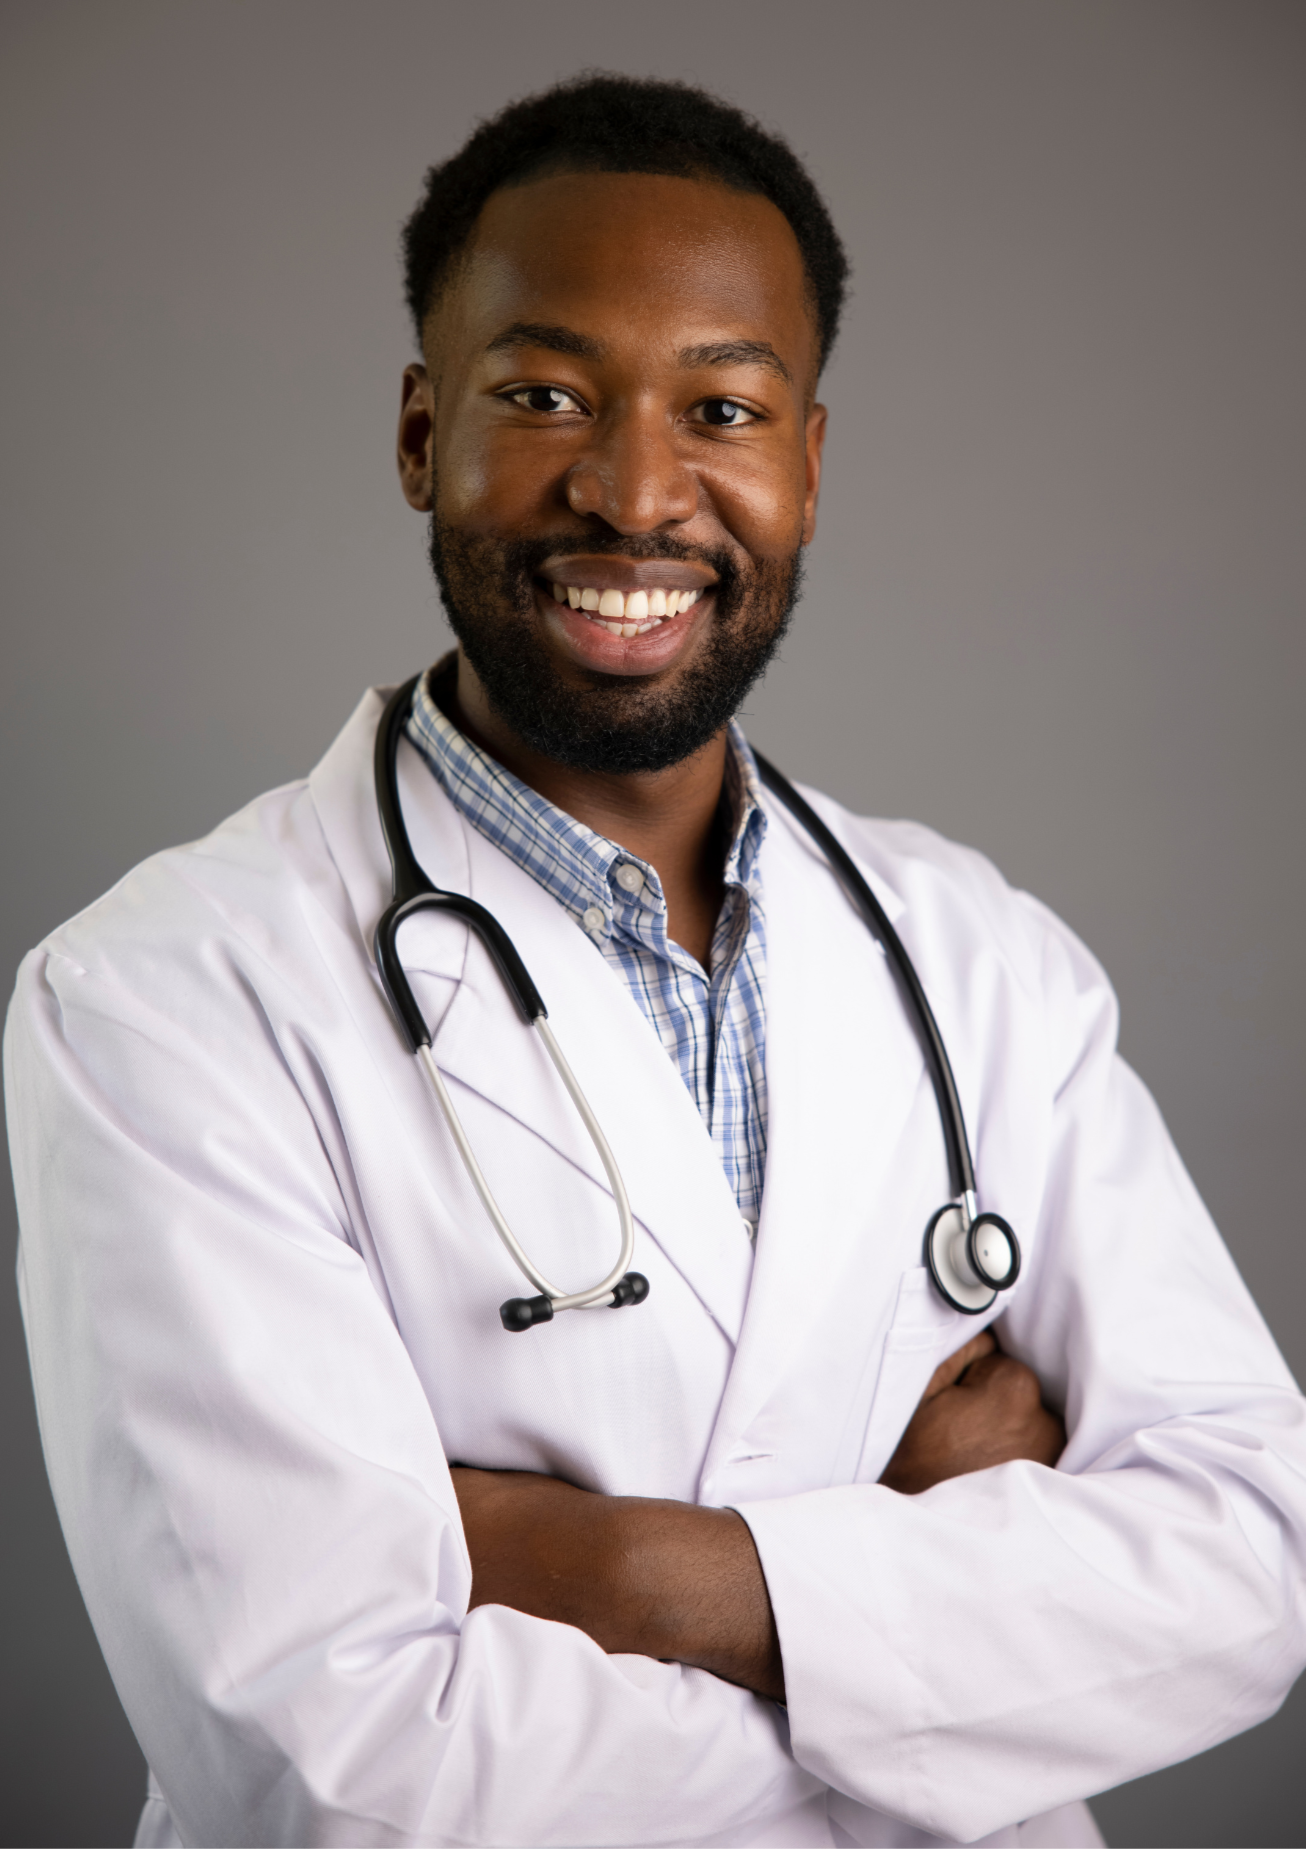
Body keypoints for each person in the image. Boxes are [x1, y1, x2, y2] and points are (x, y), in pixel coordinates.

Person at [6, 73, 1305, 1849]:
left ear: (808, 466)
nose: (633, 492)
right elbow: (327, 1762)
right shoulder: (161, 996)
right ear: (416, 435)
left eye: (722, 405)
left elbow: (1256, 1558)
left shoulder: (983, 963)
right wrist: (937, 1639)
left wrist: (644, 1575)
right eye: (544, 394)